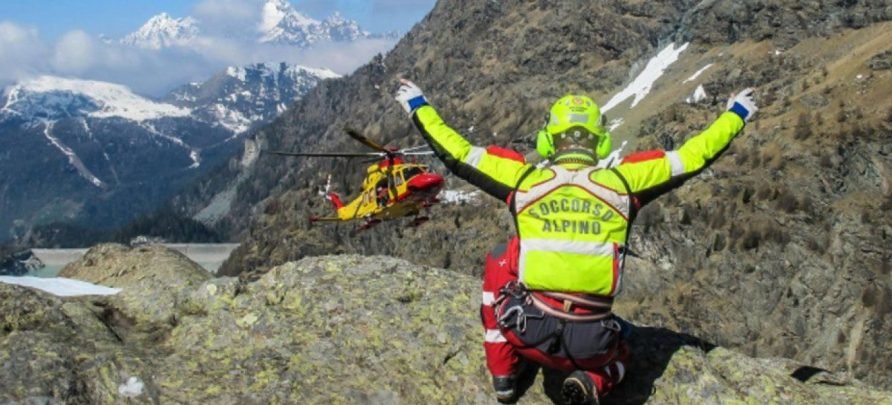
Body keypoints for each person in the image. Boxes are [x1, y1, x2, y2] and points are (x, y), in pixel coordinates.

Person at [395, 79, 757, 404]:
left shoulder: (523, 181)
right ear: (601, 141)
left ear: (548, 139)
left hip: (528, 331)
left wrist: (418, 105)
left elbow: (456, 152)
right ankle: (595, 381)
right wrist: (735, 114)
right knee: (623, 355)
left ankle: (503, 376)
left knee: (500, 258)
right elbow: (695, 155)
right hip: (594, 344)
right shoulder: (626, 183)